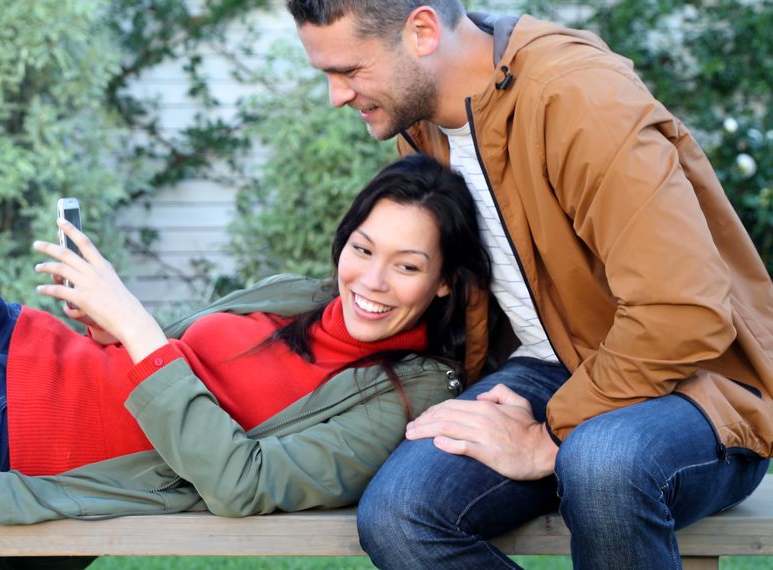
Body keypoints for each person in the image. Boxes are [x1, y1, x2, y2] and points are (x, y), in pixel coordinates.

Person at [0, 123, 489, 527]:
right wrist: (110, 326)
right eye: (363, 247)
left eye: (407, 266)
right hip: (0, 338)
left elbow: (245, 483)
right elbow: (180, 355)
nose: (372, 281)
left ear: (446, 284)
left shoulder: (393, 401)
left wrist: (136, 332)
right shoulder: (306, 297)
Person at [286, 0, 773, 568]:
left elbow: (685, 312)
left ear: (421, 31)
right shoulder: (422, 125)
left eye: (349, 71)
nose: (337, 95)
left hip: (699, 387)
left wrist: (547, 437)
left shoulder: (580, 98)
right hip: (550, 369)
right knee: (400, 513)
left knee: (601, 460)